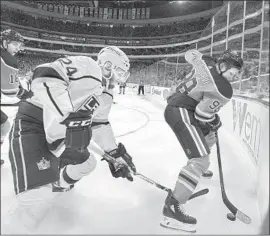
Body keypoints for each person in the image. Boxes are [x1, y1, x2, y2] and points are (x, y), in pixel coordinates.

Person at [3, 46, 136, 234]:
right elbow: (44, 75)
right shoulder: (88, 66)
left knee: (87, 163)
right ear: (107, 66)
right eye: (120, 72)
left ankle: (59, 184)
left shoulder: (106, 94)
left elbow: (99, 124)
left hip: (59, 134)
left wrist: (115, 153)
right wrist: (67, 117)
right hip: (34, 124)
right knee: (36, 200)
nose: (121, 79)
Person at [161, 49, 244, 232]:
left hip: (178, 105)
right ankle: (172, 208)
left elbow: (191, 59)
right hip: (182, 110)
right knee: (200, 159)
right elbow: (202, 114)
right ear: (222, 67)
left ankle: (197, 170)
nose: (233, 78)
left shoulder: (206, 64)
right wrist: (215, 119)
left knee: (209, 136)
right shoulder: (223, 87)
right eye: (232, 74)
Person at [1, 29, 24, 166]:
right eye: (14, 44)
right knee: (3, 124)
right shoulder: (6, 58)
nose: (17, 48)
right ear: (4, 42)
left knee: (3, 123)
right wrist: (26, 94)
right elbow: (10, 92)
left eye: (19, 45)